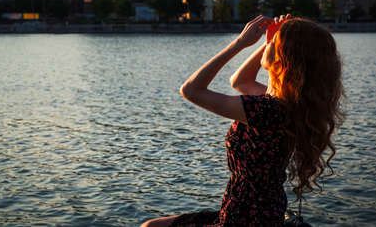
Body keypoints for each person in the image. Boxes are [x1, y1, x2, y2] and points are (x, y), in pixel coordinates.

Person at [141, 15, 344, 227]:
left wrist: (240, 43)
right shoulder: (288, 105)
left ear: (285, 57)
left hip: (245, 217)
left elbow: (191, 90)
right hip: (262, 211)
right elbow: (240, 82)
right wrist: (269, 43)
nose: (269, 42)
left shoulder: (266, 111)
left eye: (274, 42)